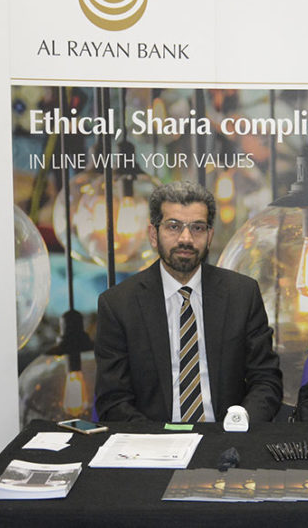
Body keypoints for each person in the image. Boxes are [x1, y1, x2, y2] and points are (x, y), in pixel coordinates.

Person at [94, 180, 283, 423]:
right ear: (153, 235)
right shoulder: (118, 304)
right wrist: (156, 439)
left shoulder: (242, 294)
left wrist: (241, 423)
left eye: (197, 228)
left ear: (210, 236)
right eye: (173, 227)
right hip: (152, 438)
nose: (186, 238)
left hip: (227, 434)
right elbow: (113, 399)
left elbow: (266, 380)